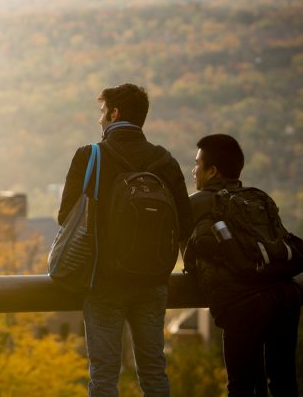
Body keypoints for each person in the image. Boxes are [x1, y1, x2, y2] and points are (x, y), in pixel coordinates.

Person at [58, 83, 192, 397]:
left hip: (104, 282)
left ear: (115, 113)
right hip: (152, 283)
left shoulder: (90, 156)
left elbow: (67, 216)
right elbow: (185, 224)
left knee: (104, 378)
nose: (100, 120)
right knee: (154, 375)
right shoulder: (165, 161)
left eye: (103, 112)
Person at [184, 134, 301, 396]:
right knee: (284, 381)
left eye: (197, 163)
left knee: (241, 387)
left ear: (212, 171)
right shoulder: (258, 198)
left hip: (241, 306)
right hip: (285, 297)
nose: (193, 170)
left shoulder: (197, 203)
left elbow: (187, 257)